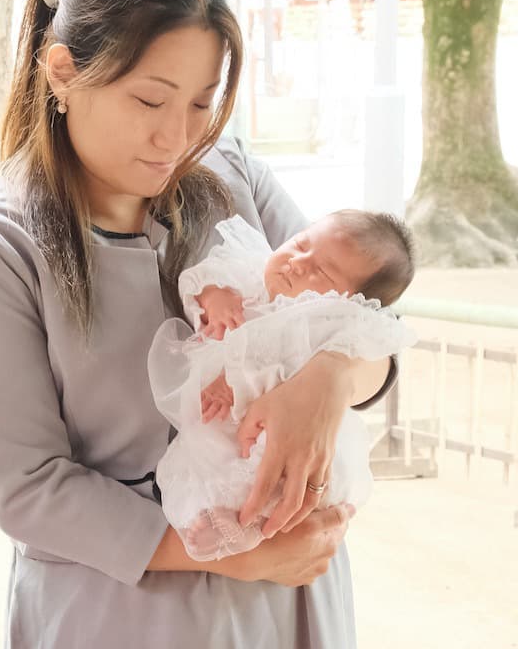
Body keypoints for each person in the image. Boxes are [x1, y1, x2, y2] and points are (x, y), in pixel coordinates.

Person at [0, 0, 396, 649]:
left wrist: (325, 383)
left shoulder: (235, 181)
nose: (177, 137)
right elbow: (28, 488)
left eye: (200, 102)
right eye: (150, 100)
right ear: (61, 71)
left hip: (288, 613)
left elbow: (374, 333)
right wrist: (239, 555)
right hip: (124, 631)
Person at [154, 210, 417, 560]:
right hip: (226, 419)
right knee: (205, 455)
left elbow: (278, 366)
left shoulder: (322, 323)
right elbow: (204, 279)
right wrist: (216, 298)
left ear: (350, 300)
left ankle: (243, 523)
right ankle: (210, 515)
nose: (298, 263)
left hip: (274, 422)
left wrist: (231, 383)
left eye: (322, 271)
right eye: (301, 243)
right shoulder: (251, 272)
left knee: (274, 468)